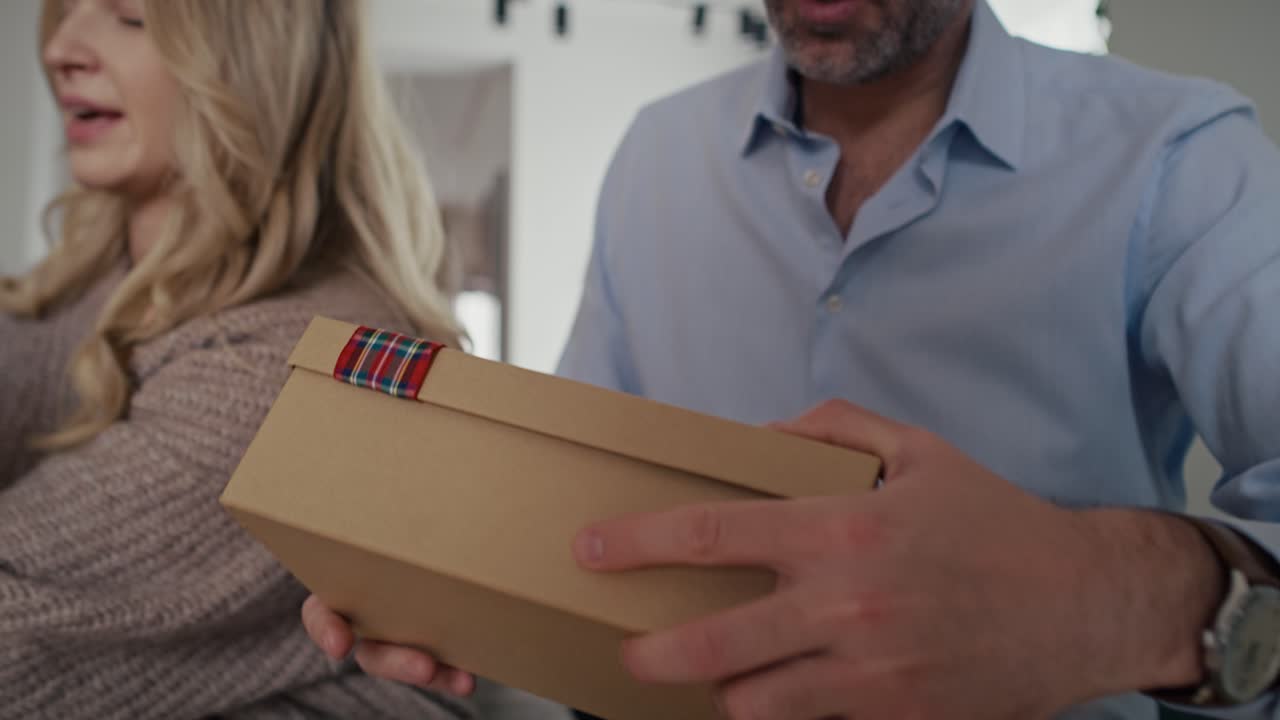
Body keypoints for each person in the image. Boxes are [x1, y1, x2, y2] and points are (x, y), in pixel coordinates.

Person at [303, 0, 1280, 718]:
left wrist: (1103, 598)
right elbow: (578, 521)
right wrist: (451, 586)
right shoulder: (656, 152)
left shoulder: (1177, 156)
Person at [0, 0, 557, 717]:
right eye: (65, 8)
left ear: (256, 68)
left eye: (131, 17)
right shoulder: (74, 288)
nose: (60, 49)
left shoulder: (299, 365)